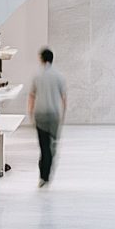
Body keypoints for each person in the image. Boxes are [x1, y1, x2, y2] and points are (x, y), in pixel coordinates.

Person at [29, 46, 67, 187]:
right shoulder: (59, 76)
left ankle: (43, 176)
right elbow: (63, 98)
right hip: (54, 115)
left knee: (43, 146)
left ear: (41, 59)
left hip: (40, 115)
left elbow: (32, 96)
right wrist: (63, 114)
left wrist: (31, 113)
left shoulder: (37, 76)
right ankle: (47, 173)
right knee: (52, 147)